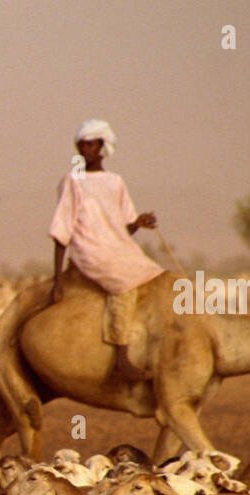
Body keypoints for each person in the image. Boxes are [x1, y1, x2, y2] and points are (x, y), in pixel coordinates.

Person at [48, 119, 163, 382]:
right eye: (81, 145)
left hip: (117, 249)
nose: (84, 150)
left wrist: (138, 223)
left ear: (102, 146)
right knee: (125, 284)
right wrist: (57, 279)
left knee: (154, 273)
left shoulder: (116, 182)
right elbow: (61, 229)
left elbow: (123, 227)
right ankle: (121, 359)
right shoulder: (72, 181)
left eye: (89, 144)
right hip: (90, 251)